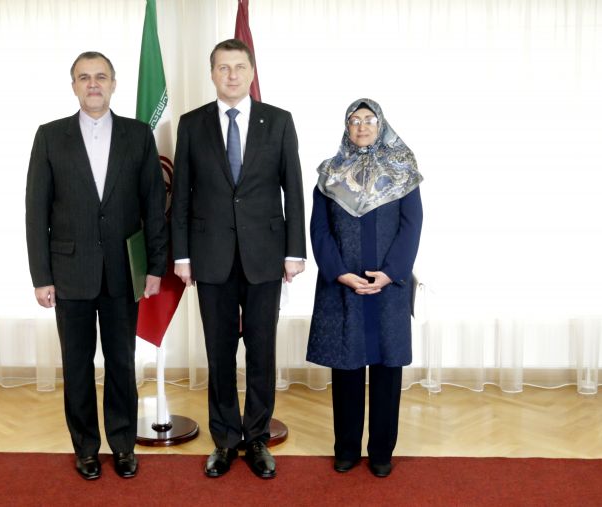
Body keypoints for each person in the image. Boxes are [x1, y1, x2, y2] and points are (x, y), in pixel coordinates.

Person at [25, 51, 168, 480]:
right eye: (84, 77)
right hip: (69, 273)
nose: (93, 84)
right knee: (77, 366)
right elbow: (36, 211)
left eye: (100, 76)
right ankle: (85, 448)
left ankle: (122, 445)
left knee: (122, 363)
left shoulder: (138, 135)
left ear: (113, 83)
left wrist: (155, 267)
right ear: (73, 85)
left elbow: (153, 206)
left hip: (124, 272)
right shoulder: (50, 136)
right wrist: (41, 277)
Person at [171, 39, 306, 479]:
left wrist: (295, 251)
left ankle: (258, 438)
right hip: (210, 258)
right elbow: (182, 194)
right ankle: (226, 440)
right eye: (223, 68)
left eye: (239, 67)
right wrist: (182, 255)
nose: (231, 75)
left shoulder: (279, 121)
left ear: (251, 72)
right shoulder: (192, 124)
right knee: (220, 354)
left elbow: (293, 189)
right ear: (212, 73)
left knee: (262, 352)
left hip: (266, 257)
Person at [306, 98, 423, 478]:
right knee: (347, 368)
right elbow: (319, 229)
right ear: (346, 127)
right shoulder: (330, 174)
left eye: (369, 119)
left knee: (388, 370)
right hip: (345, 285)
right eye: (354, 120)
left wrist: (391, 273)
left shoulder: (403, 172)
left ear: (381, 125)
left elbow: (411, 226)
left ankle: (382, 452)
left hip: (388, 287)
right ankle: (346, 449)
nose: (361, 126)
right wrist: (338, 272)